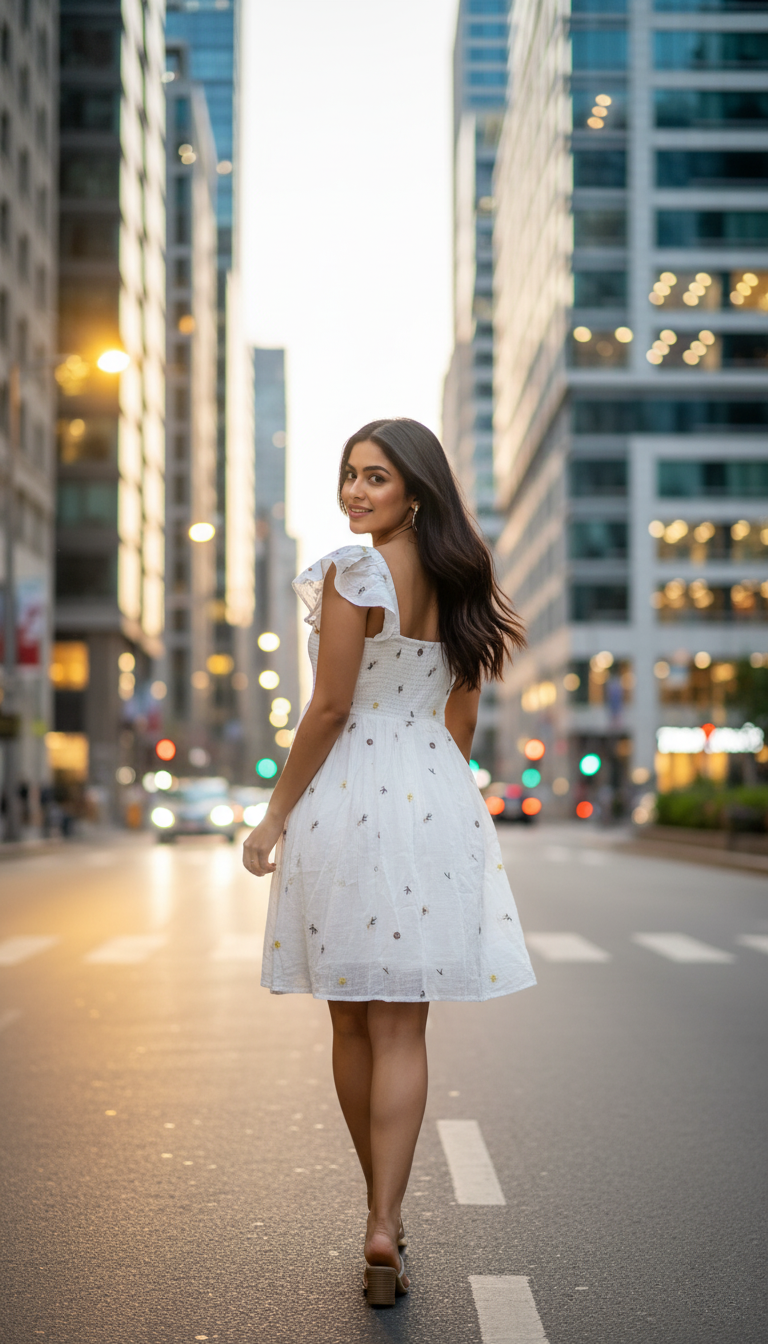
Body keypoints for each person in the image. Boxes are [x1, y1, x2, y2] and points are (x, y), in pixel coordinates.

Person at [243, 418, 536, 1307]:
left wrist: (272, 816)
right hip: (435, 794)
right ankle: (387, 1217)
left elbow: (329, 708)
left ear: (416, 491)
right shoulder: (463, 581)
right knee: (404, 1025)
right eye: (350, 476)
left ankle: (379, 1222)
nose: (357, 492)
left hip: (348, 795)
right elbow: (461, 720)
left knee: (351, 1026)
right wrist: (436, 789)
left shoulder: (351, 571)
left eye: (377, 478)